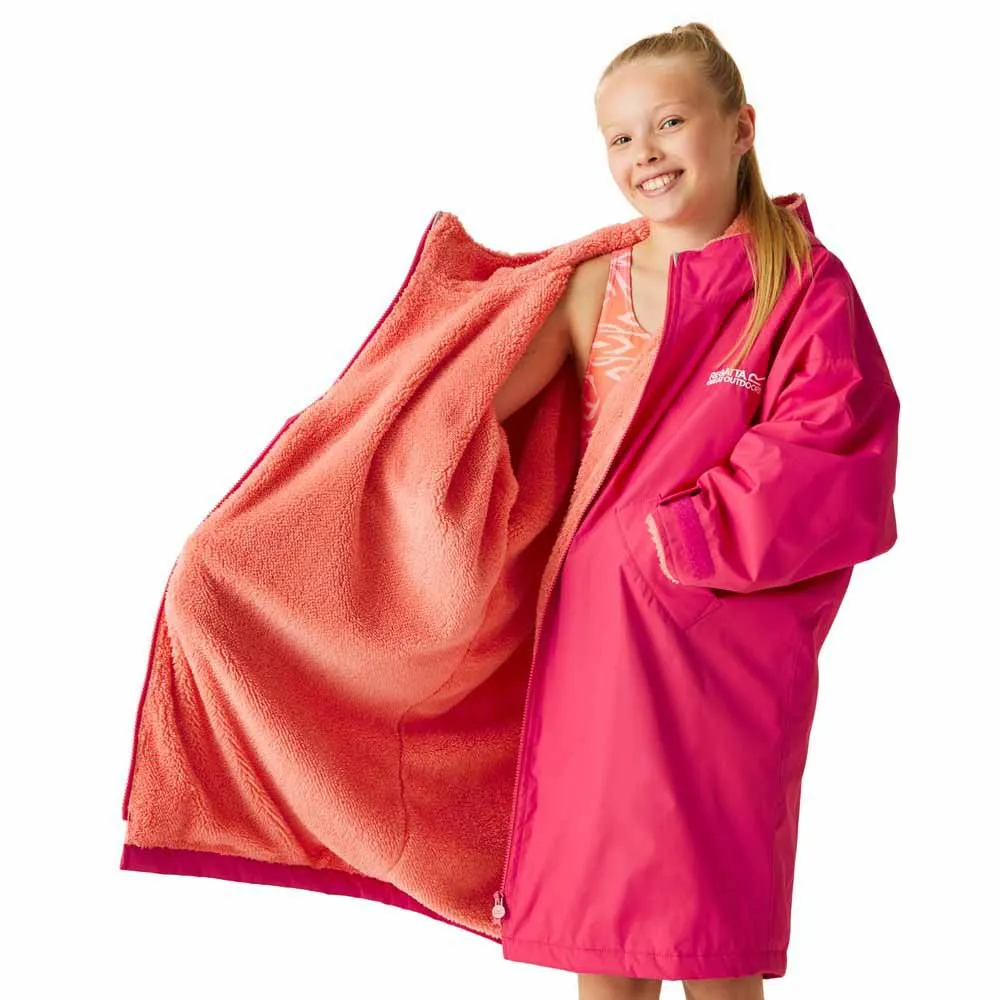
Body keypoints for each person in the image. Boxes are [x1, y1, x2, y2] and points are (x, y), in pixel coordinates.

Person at [495, 22, 842, 1000]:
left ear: (741, 128)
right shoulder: (588, 285)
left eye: (669, 122)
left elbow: (829, 450)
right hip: (599, 644)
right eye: (618, 136)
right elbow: (465, 417)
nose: (643, 152)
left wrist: (671, 540)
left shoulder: (802, 287)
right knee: (604, 932)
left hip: (725, 651)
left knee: (713, 936)